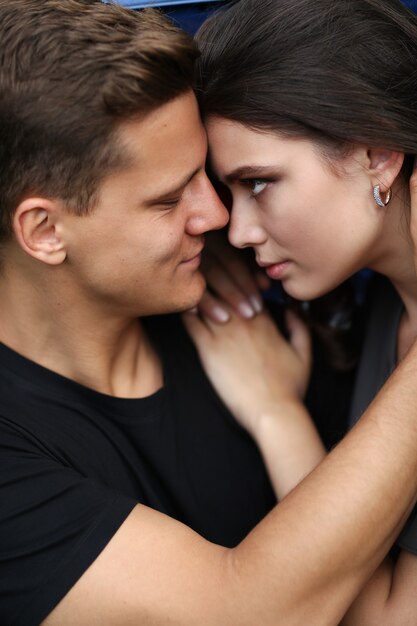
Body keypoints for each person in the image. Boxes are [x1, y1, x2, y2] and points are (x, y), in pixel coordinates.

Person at [1, 2, 417, 626]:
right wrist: (279, 414)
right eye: (169, 199)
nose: (221, 220)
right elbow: (253, 611)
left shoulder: (250, 288)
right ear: (44, 230)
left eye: (217, 181)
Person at [190, 0, 417, 623]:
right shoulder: (385, 314)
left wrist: (275, 417)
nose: (235, 231)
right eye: (228, 191)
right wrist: (275, 408)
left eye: (258, 182)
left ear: (379, 154)